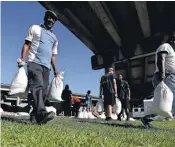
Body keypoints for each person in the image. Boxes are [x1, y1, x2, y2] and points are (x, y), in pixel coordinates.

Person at [18, 10, 59, 124]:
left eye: (53, 19)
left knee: (44, 93)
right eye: (49, 17)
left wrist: (55, 70)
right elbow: (27, 44)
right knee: (37, 86)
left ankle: (34, 117)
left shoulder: (54, 38)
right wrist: (22, 58)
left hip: (47, 67)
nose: (51, 20)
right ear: (45, 17)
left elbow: (53, 56)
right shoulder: (35, 28)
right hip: (34, 62)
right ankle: (42, 113)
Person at [141, 33, 175, 127]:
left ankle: (147, 117)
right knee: (169, 100)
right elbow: (161, 59)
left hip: (169, 77)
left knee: (165, 101)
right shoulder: (166, 46)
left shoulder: (171, 49)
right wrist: (162, 74)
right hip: (167, 76)